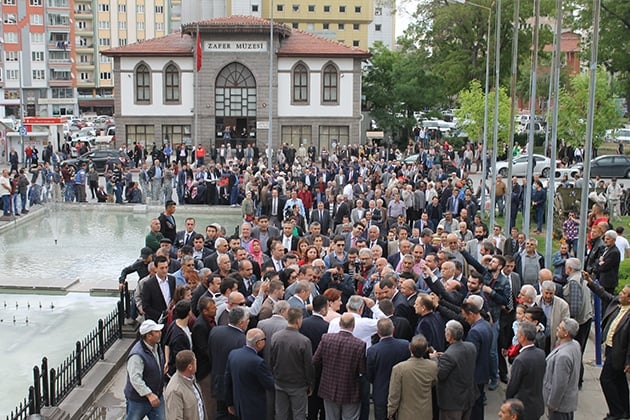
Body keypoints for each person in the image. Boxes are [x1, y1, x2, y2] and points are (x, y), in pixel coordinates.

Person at [585, 273, 630, 420]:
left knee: (606, 380)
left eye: (623, 293)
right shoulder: (618, 304)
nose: (620, 294)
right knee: (619, 381)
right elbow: (605, 295)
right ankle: (625, 410)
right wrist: (591, 283)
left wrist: (628, 362)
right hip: (610, 349)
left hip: (619, 353)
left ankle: (616, 412)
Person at [313, 312, 367, 420]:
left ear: (339, 324)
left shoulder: (326, 338)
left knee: (331, 417)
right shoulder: (359, 344)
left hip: (328, 387)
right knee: (350, 417)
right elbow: (362, 369)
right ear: (353, 325)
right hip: (350, 389)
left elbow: (315, 360)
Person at [270, 308, 314, 420]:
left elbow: (272, 359)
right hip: (298, 385)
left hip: (279, 382)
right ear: (299, 320)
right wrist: (310, 384)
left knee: (281, 413)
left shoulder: (276, 336)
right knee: (299, 414)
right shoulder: (304, 341)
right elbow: (308, 365)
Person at [224, 328, 275, 420]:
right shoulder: (258, 362)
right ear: (258, 343)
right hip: (254, 408)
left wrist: (229, 402)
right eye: (264, 339)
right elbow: (269, 384)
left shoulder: (233, 354)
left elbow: (227, 381)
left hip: (238, 404)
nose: (265, 342)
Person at [208, 306, 249, 419]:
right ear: (241, 323)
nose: (248, 322)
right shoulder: (242, 340)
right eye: (247, 320)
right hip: (232, 386)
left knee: (220, 413)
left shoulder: (215, 331)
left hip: (217, 380)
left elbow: (211, 354)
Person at [433, 320, 477, 420]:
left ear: (449, 336)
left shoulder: (449, 355)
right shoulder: (471, 347)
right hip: (468, 397)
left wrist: (435, 359)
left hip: (452, 402)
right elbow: (459, 359)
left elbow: (440, 375)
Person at [366, 318, 410, 420]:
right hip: (401, 392)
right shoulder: (405, 345)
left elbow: (369, 375)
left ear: (378, 332)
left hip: (381, 393)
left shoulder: (373, 351)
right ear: (393, 329)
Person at [387, 334, 438, 420]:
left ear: (410, 348)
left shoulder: (399, 368)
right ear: (426, 349)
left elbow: (394, 394)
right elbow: (434, 382)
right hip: (425, 413)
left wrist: (391, 412)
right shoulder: (433, 366)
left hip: (406, 414)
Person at [124, 320, 166, 420]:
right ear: (148, 336)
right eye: (156, 331)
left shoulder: (157, 346)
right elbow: (135, 378)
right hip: (138, 401)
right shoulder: (137, 355)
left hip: (157, 395)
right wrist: (149, 395)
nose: (160, 333)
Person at [505, 321, 546, 420]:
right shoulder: (541, 353)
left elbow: (513, 385)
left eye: (518, 334)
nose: (517, 336)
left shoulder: (520, 360)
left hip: (523, 408)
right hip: (537, 404)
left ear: (523, 337)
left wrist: (507, 401)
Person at [542, 318, 582, 420]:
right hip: (568, 401)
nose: (557, 328)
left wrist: (553, 403)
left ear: (566, 333)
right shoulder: (575, 345)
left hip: (560, 405)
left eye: (560, 328)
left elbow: (559, 383)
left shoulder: (563, 356)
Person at [461, 299, 492, 420]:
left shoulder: (474, 332)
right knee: (479, 404)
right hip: (484, 371)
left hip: (475, 374)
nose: (465, 319)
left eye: (465, 316)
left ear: (472, 314)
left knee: (473, 407)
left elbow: (471, 356)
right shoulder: (486, 325)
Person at [165, 350, 206, 420]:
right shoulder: (175, 391)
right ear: (190, 367)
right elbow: (175, 417)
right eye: (195, 361)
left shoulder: (191, 379)